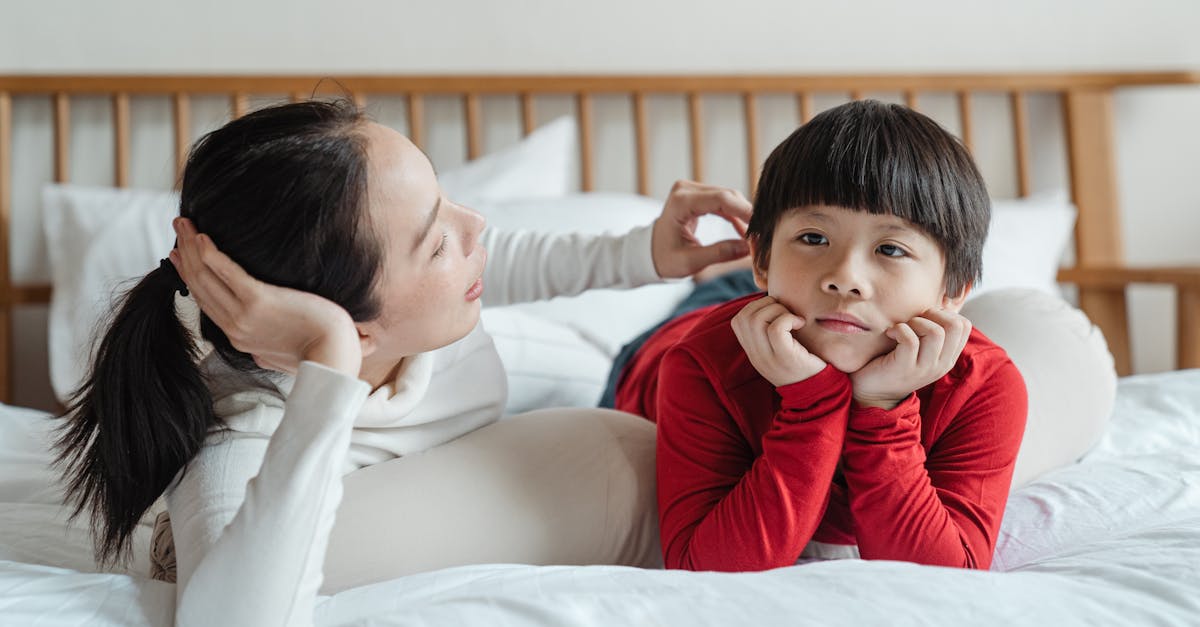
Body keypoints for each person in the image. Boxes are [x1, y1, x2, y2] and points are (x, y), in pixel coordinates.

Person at [53, 99, 753, 626]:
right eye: (435, 241)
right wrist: (326, 364)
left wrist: (642, 253)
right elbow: (233, 619)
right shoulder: (244, 435)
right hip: (621, 418)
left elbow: (501, 260)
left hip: (601, 383)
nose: (474, 224)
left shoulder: (416, 307)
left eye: (445, 200)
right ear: (351, 322)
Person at [610, 99, 1039, 572]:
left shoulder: (984, 387)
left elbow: (946, 576)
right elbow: (704, 572)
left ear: (954, 290)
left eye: (891, 248)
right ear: (763, 259)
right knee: (714, 305)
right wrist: (810, 403)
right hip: (673, 345)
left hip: (800, 303)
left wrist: (882, 409)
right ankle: (729, 278)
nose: (845, 276)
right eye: (814, 237)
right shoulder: (699, 363)